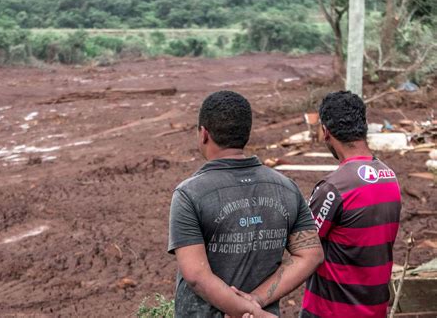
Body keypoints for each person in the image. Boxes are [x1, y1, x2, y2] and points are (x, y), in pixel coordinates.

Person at [168, 90, 324, 317]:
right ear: (246, 134)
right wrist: (257, 302)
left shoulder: (189, 194)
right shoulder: (286, 187)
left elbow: (196, 276)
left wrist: (248, 311)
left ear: (204, 134)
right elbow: (310, 255)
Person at [300, 91, 402, 317]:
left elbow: (304, 248)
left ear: (326, 132)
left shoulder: (333, 188)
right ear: (364, 126)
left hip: (330, 311)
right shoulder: (390, 177)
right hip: (375, 310)